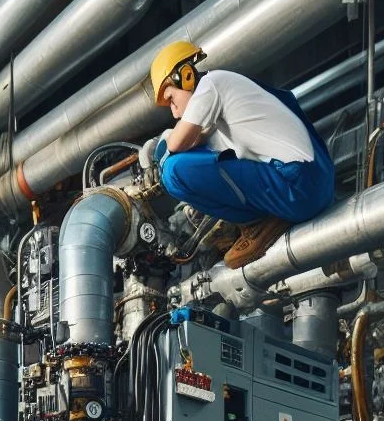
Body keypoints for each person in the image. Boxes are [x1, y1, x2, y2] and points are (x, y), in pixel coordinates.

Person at [141, 41, 334, 270]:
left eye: (171, 98)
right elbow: (201, 142)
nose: (174, 111)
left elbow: (177, 143)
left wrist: (159, 151)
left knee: (173, 172)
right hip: (314, 186)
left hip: (296, 185)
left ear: (186, 76)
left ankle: (253, 222)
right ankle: (261, 219)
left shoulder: (211, 84)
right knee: (191, 161)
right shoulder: (228, 111)